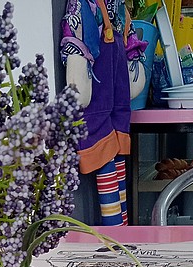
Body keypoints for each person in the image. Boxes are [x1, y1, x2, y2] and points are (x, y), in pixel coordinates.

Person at [61, 0, 147, 225]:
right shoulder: (83, 7)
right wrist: (78, 74)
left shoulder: (119, 9)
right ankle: (115, 233)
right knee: (106, 161)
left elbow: (128, 39)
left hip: (117, 100)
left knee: (118, 156)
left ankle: (121, 233)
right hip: (97, 102)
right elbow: (76, 37)